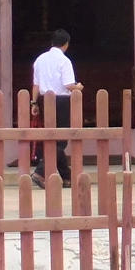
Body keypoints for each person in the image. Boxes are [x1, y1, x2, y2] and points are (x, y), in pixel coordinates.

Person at [30, 29, 81, 187]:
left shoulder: (40, 59)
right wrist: (79, 87)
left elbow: (36, 84)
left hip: (44, 100)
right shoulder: (64, 61)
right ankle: (40, 171)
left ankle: (67, 177)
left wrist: (34, 103)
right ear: (66, 44)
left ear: (52, 42)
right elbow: (68, 84)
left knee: (53, 138)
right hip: (61, 101)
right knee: (60, 140)